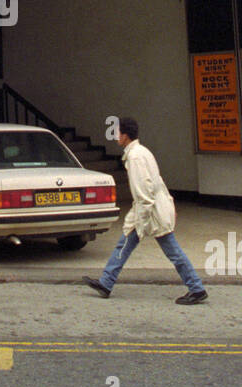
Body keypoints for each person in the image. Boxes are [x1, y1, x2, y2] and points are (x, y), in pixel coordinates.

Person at [82, 116, 208, 305]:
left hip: (150, 210)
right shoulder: (141, 151)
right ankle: (106, 282)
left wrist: (143, 218)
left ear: (125, 135)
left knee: (172, 250)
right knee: (124, 244)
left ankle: (196, 288)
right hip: (149, 207)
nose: (115, 136)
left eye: (117, 132)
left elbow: (144, 190)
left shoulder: (135, 156)